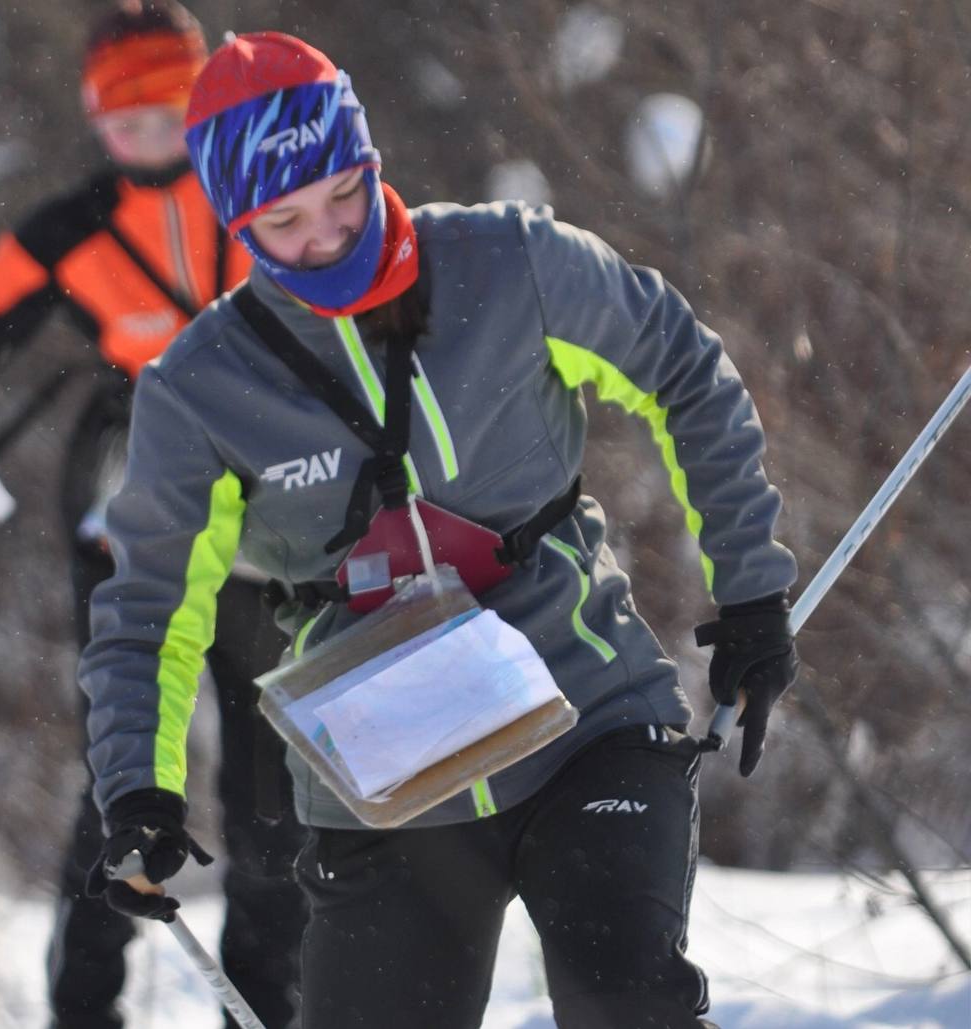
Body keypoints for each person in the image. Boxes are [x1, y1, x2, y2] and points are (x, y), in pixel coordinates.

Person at [79, 30, 799, 1029]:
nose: (327, 235)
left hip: (583, 717)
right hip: (385, 781)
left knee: (621, 998)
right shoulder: (201, 390)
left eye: (341, 193)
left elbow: (682, 370)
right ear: (237, 224)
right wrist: (138, 794)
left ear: (369, 162)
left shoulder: (511, 264)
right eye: (284, 220)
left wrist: (752, 586)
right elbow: (148, 606)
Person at [0, 8, 306, 1029]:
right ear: (95, 125)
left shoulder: (262, 195)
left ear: (202, 99)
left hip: (267, 492)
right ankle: (84, 1009)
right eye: (121, 124)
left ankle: (266, 1007)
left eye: (165, 112)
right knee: (124, 772)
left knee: (273, 785)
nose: (145, 139)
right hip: (128, 482)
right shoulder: (69, 226)